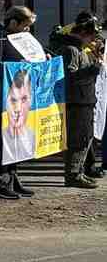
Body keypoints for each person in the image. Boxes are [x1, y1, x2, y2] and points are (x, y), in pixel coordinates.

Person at [0, 5, 37, 199]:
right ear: (13, 23)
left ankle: (12, 178)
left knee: (15, 142)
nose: (27, 31)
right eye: (25, 26)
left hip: (16, 102)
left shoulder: (17, 39)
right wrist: (15, 69)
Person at [49, 15, 104, 189]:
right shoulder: (71, 50)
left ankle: (78, 171)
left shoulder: (79, 48)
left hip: (85, 100)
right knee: (78, 139)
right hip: (77, 101)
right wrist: (93, 70)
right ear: (82, 33)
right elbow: (70, 77)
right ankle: (73, 174)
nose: (93, 40)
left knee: (86, 138)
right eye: (91, 36)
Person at [1, 70, 37, 166]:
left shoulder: (35, 137)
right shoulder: (1, 136)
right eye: (13, 100)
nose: (18, 108)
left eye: (24, 99)